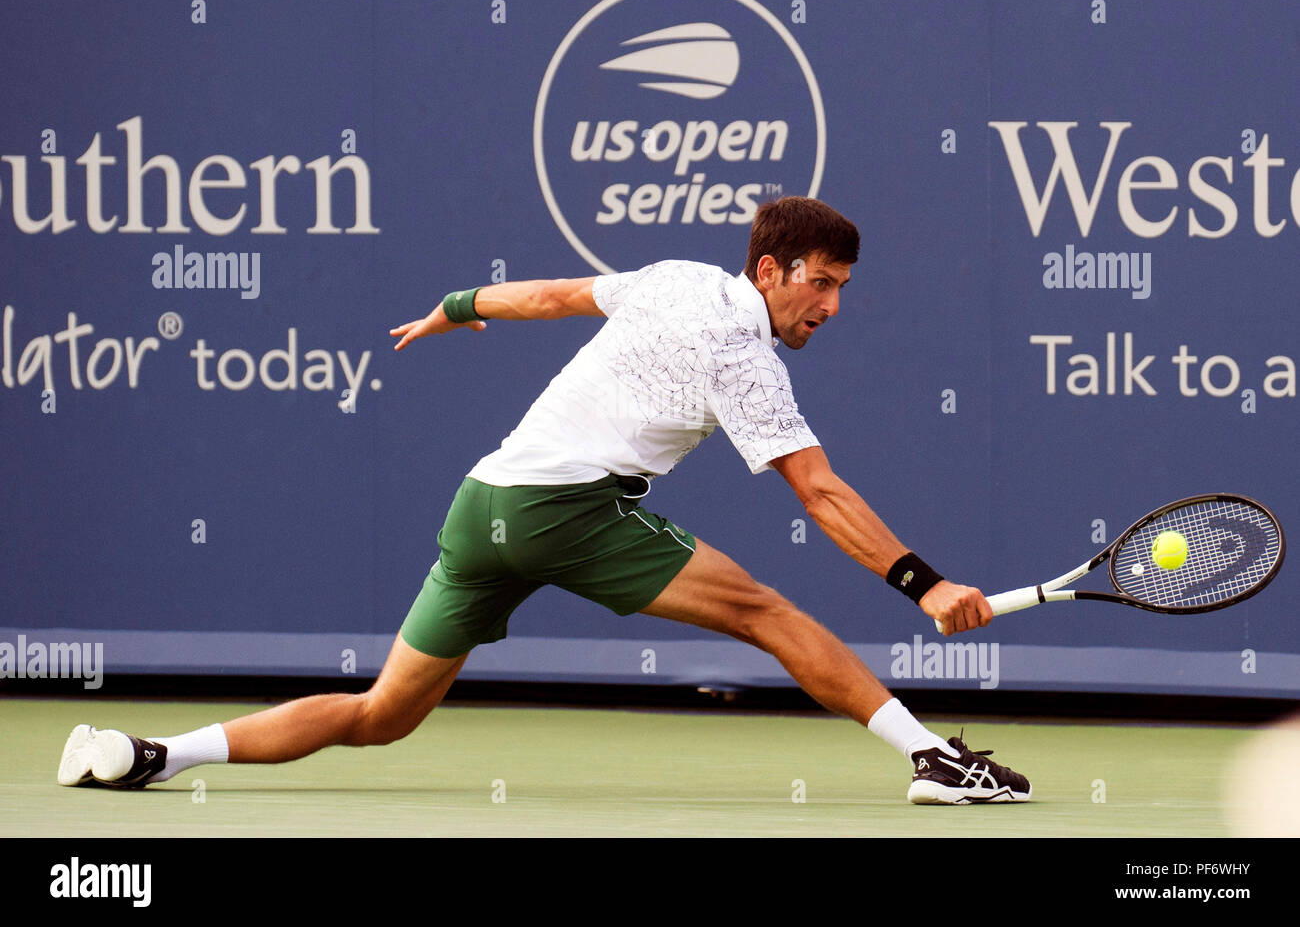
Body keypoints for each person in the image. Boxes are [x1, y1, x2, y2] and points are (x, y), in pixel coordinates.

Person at [58, 197, 1030, 805]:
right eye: (818, 284)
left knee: (382, 711)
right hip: (565, 510)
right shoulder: (739, 347)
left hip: (482, 506)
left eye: (843, 288)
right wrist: (923, 583)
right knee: (770, 614)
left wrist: (457, 306)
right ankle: (933, 760)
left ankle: (152, 753)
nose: (829, 306)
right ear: (768, 269)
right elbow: (816, 487)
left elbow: (559, 294)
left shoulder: (673, 279)